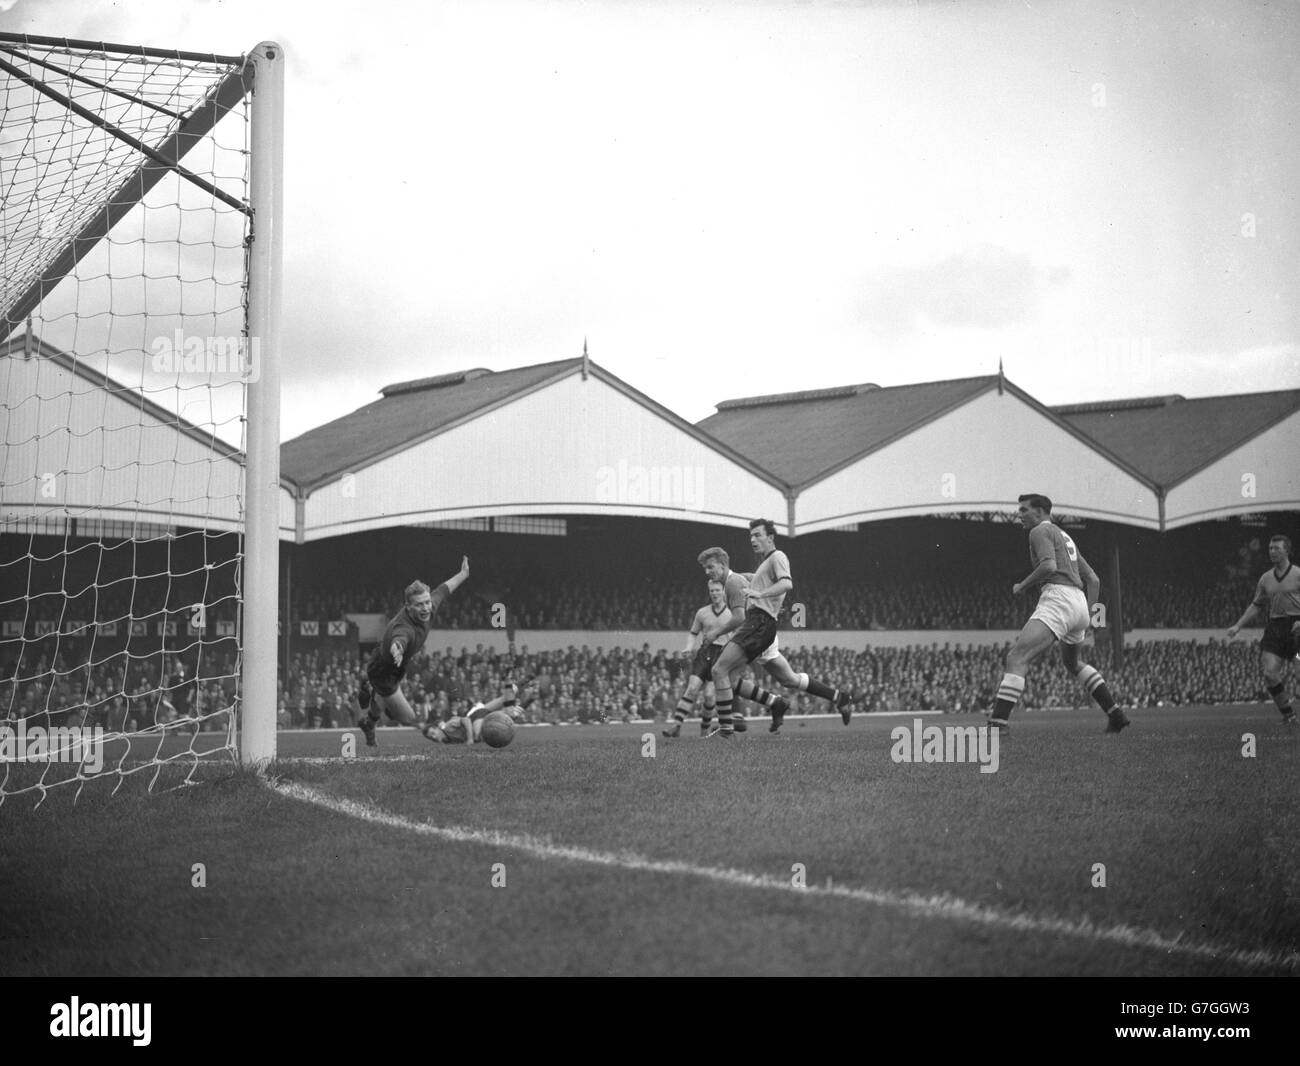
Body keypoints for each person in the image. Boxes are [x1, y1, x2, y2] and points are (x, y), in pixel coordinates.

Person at [988, 494, 1129, 734]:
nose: (1019, 514)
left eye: (1024, 510)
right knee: (1072, 662)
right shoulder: (1065, 537)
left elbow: (1049, 566)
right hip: (1079, 603)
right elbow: (1093, 580)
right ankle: (1115, 713)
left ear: (1041, 511)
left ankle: (998, 725)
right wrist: (1090, 617)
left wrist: (1022, 586)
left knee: (1017, 657)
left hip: (1059, 598)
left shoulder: (1039, 532)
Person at [705, 521, 853, 737]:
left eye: (757, 535)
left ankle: (727, 728)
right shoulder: (762, 566)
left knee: (722, 672)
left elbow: (786, 584)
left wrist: (760, 595)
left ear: (771, 537)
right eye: (751, 537)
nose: (753, 540)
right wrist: (758, 590)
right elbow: (763, 586)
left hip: (758, 625)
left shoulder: (778, 557)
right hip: (761, 626)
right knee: (788, 679)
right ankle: (838, 697)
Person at [355, 556, 470, 748]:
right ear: (408, 608)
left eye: (427, 602)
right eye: (420, 605)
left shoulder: (430, 605)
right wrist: (397, 649)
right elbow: (399, 640)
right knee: (408, 717)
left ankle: (369, 723)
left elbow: (444, 589)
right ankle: (370, 689)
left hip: (394, 666)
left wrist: (463, 574)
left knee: (383, 700)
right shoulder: (404, 628)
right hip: (384, 670)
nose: (426, 608)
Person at [1227, 533, 1299, 725]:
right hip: (1275, 627)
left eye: (1277, 548)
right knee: (1269, 674)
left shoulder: (1298, 574)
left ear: (1287, 551)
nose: (1272, 551)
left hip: (1297, 627)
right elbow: (1257, 605)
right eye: (1270, 548)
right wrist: (1238, 625)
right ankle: (1289, 716)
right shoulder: (1265, 578)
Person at [428, 680, 532, 744]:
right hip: (478, 712)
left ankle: (524, 684)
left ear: (437, 728)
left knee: (479, 735)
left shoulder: (447, 727)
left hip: (475, 715)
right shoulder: (446, 741)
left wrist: (470, 739)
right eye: (431, 737)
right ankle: (528, 697)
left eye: (433, 733)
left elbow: (466, 720)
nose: (433, 737)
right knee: (506, 705)